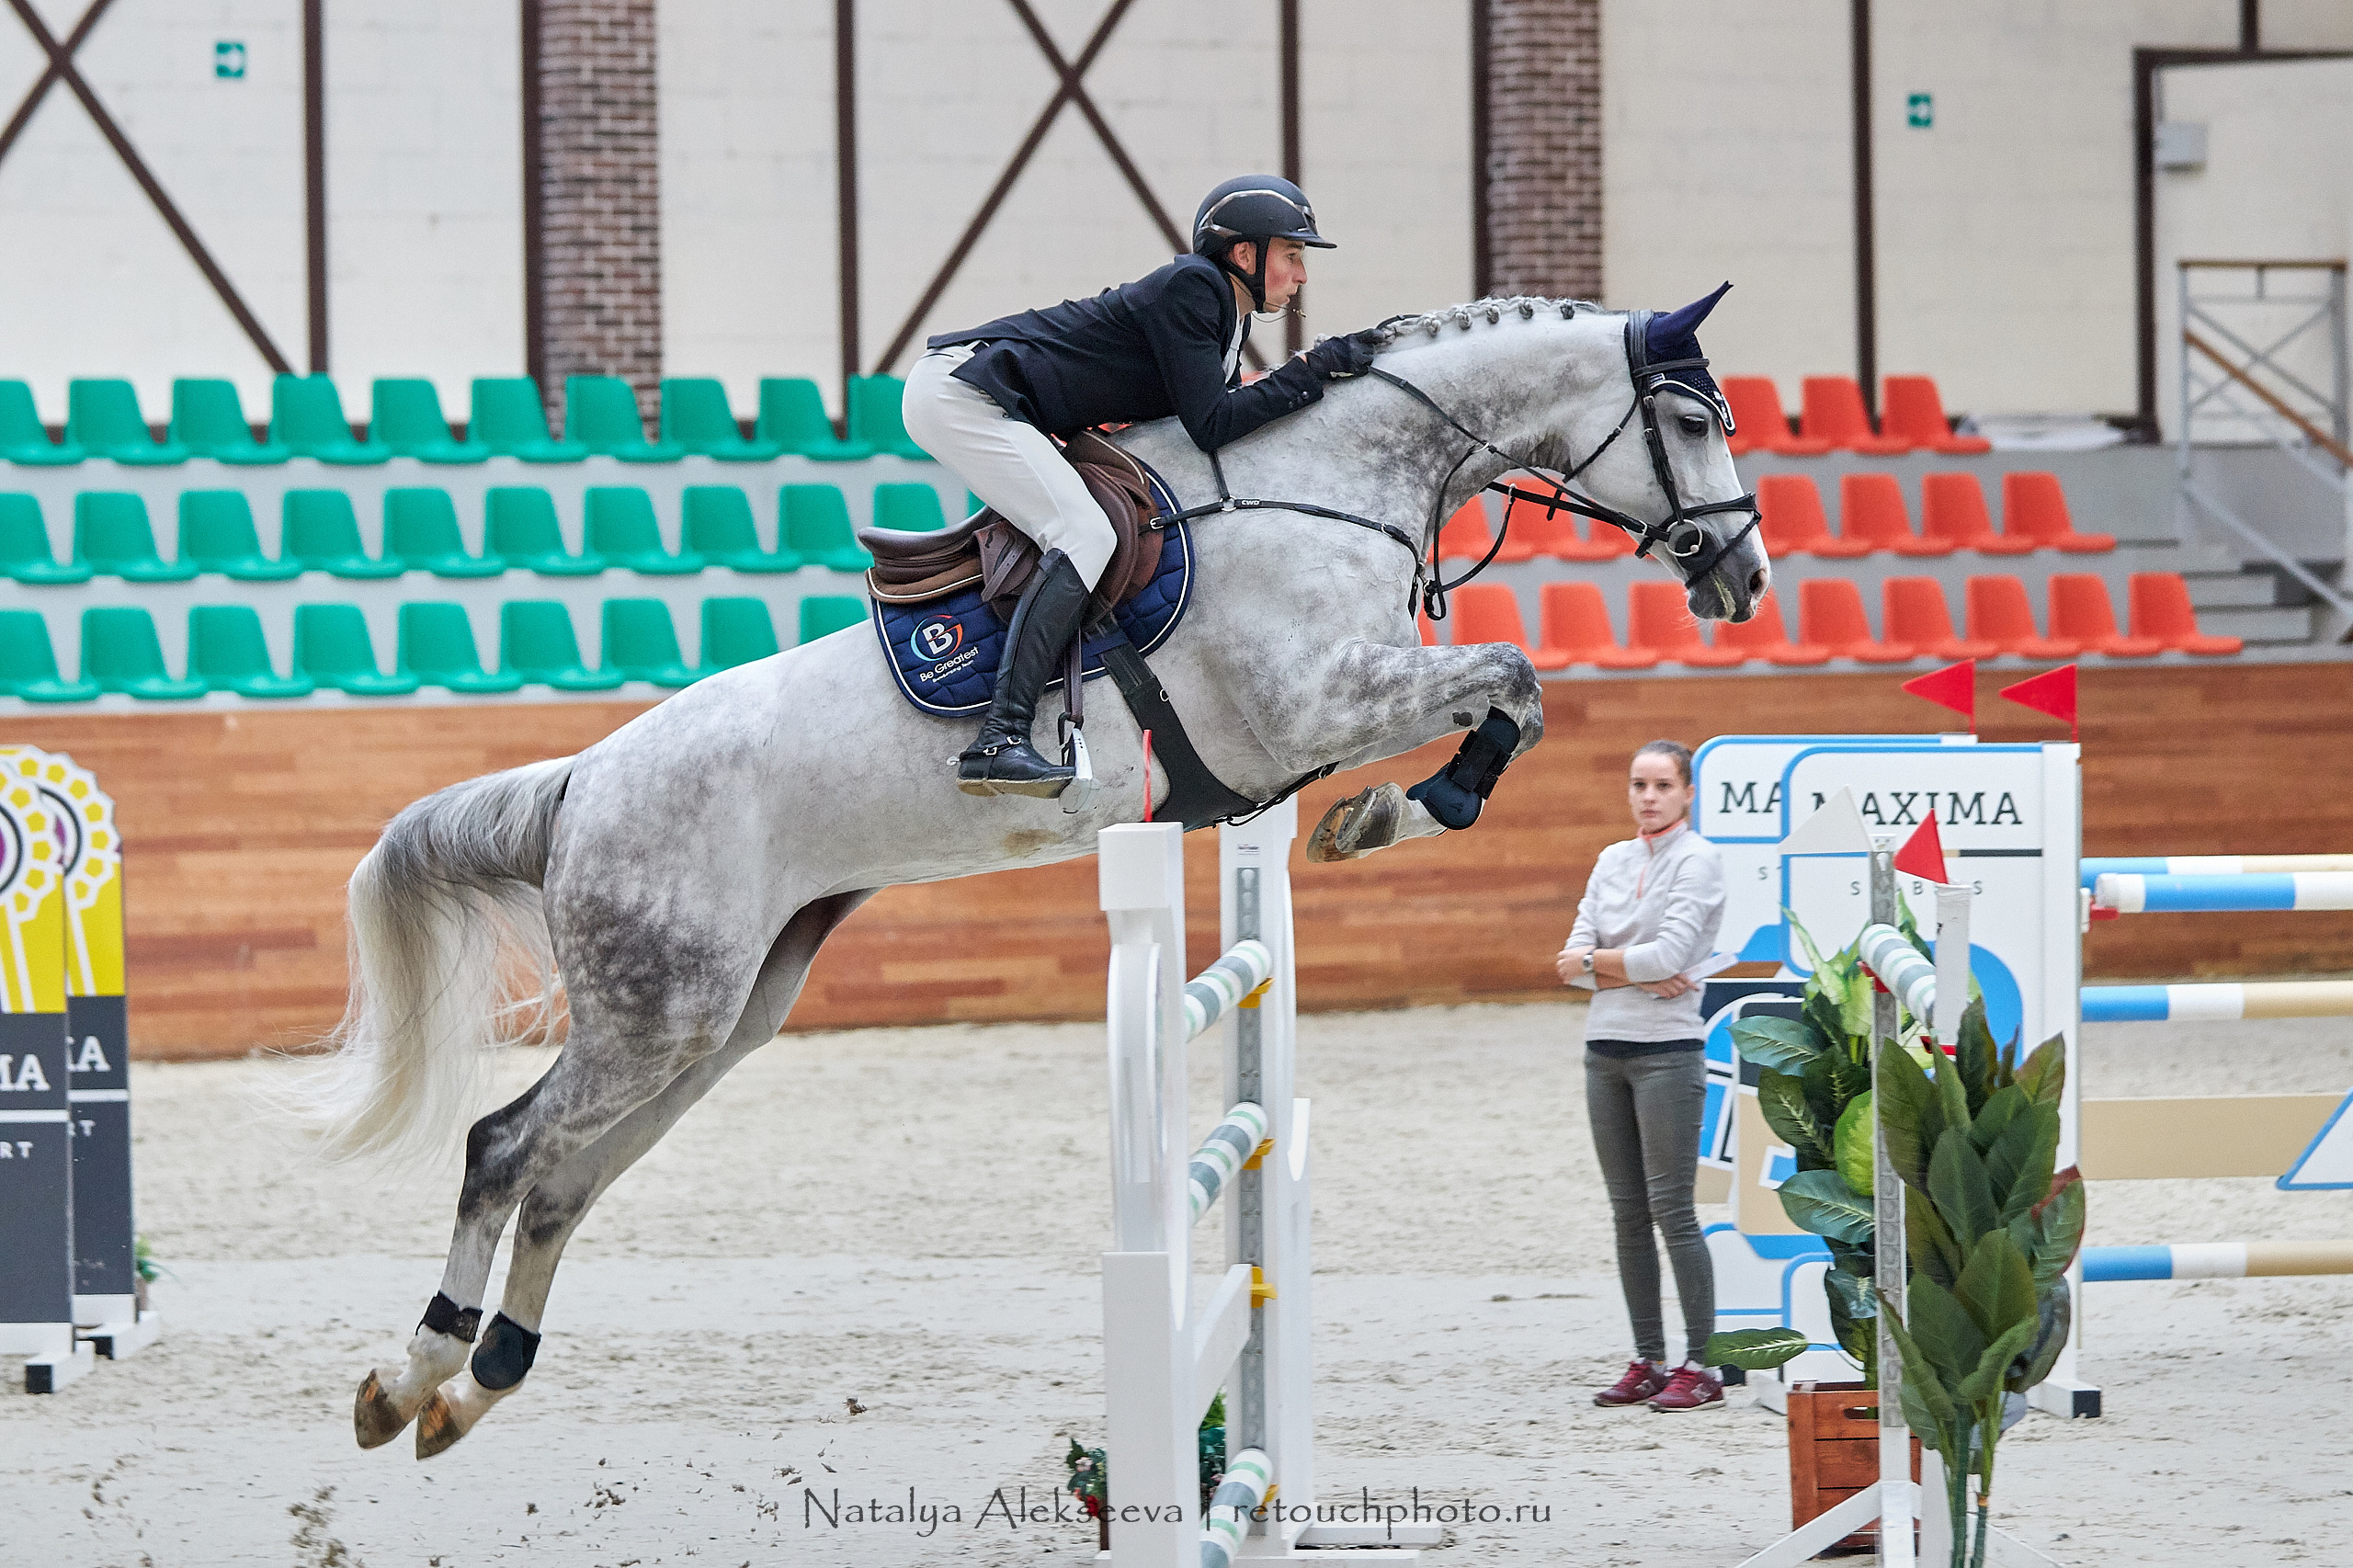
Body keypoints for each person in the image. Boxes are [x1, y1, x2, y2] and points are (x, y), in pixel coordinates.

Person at [904, 176, 1383, 798]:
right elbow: (1211, 426)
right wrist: (1313, 369)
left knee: (1086, 529)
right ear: (1244, 255)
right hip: (964, 393)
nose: (1301, 275)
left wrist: (1317, 379)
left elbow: (1218, 417)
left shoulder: (1224, 321)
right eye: (1292, 256)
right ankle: (1000, 737)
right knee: (1082, 532)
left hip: (988, 399)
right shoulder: (1196, 288)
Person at [1556, 739, 1728, 1412]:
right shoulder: (1611, 859)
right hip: (1606, 1050)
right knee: (1627, 1213)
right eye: (1639, 784)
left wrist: (1603, 964)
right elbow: (1569, 962)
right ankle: (1648, 1358)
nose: (1649, 796)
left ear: (1687, 793)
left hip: (1668, 1053)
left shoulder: (1700, 860)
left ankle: (1703, 1365)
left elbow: (1672, 954)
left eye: (1662, 785)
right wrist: (1626, 966)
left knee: (1673, 1210)